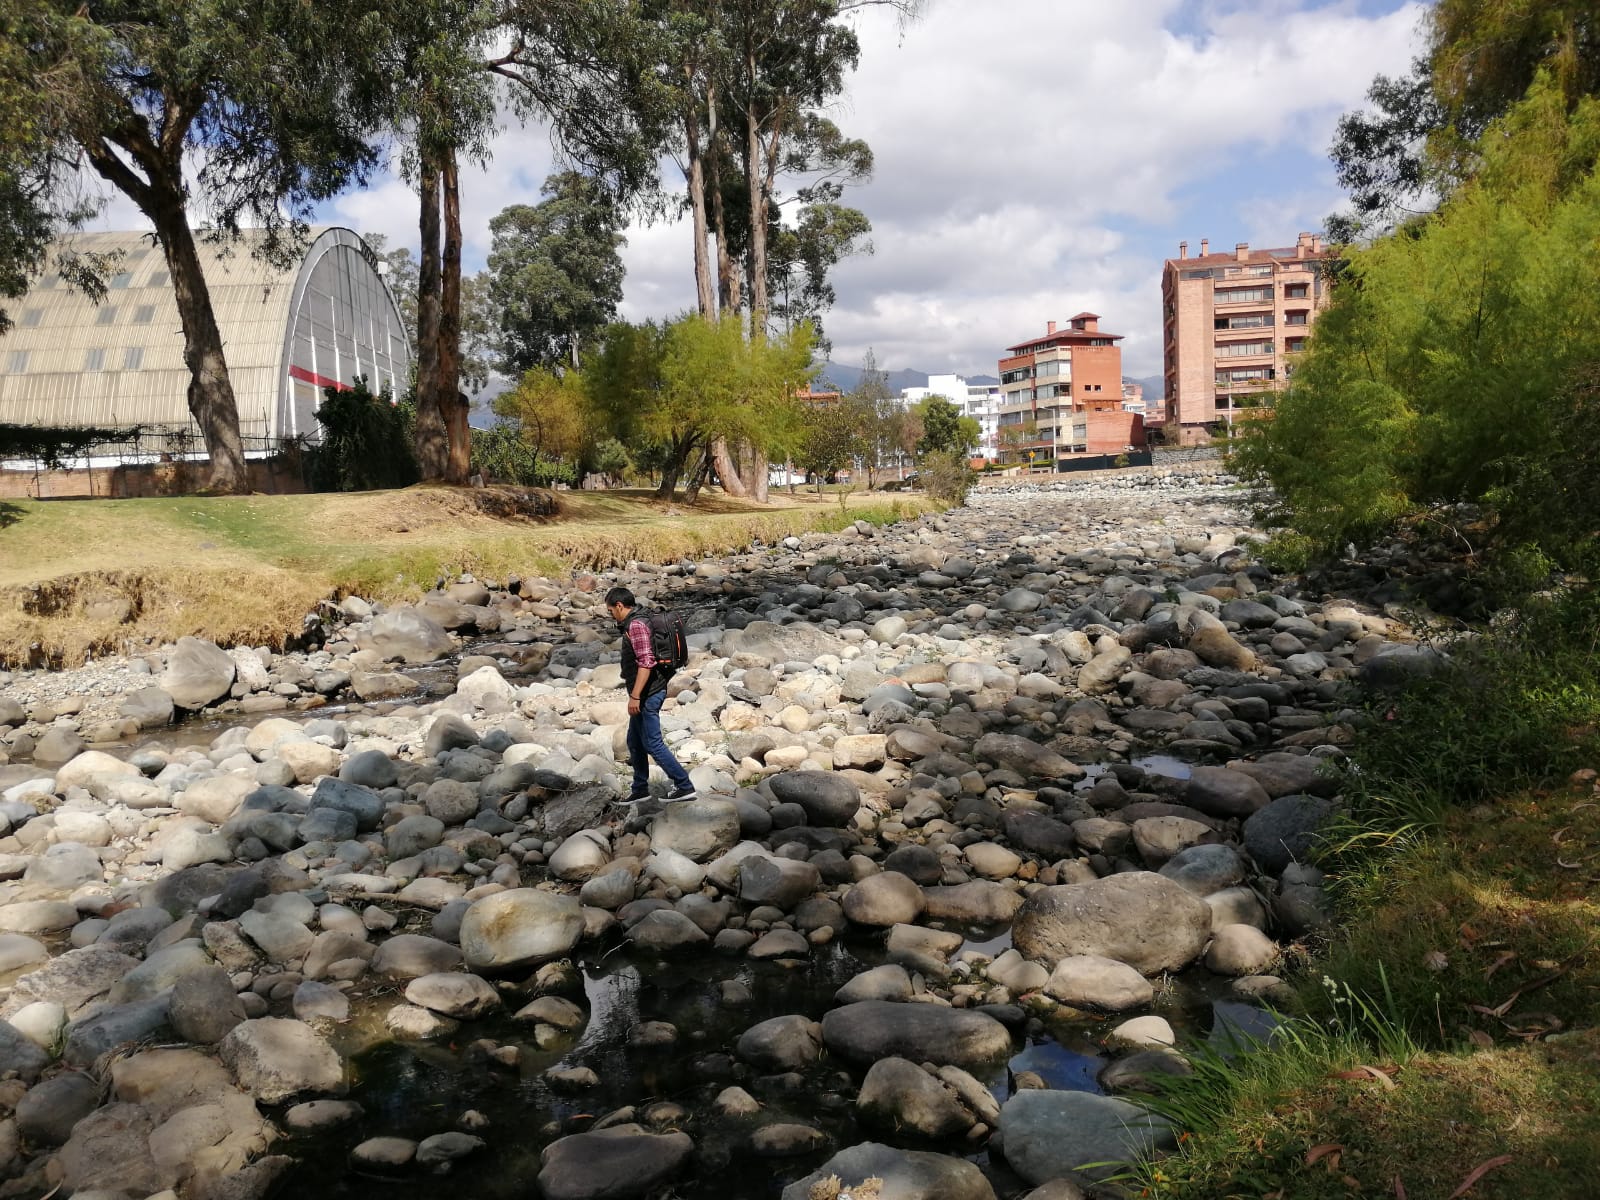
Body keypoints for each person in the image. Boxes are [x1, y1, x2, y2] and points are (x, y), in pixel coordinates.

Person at [604, 586, 696, 803]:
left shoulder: (636, 625)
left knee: (653, 743)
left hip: (648, 692)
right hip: (648, 690)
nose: (610, 616)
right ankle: (640, 790)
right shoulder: (639, 618)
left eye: (610, 611)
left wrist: (635, 696)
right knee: (634, 741)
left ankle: (684, 785)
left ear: (619, 606)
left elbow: (646, 663)